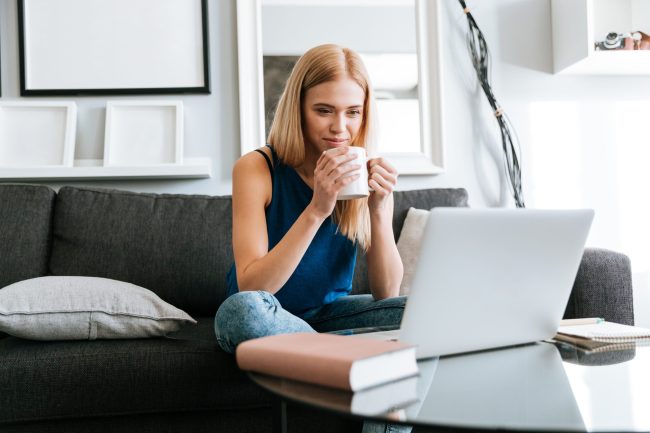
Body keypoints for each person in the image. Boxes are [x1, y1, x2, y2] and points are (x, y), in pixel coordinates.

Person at [216, 42, 409, 433]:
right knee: (242, 311)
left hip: (329, 320)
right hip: (265, 319)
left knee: (422, 316)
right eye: (324, 111)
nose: (340, 128)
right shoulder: (257, 168)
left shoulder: (362, 172)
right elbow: (253, 286)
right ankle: (360, 367)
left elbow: (387, 293)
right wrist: (318, 208)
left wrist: (379, 209)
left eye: (353, 112)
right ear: (298, 110)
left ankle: (346, 366)